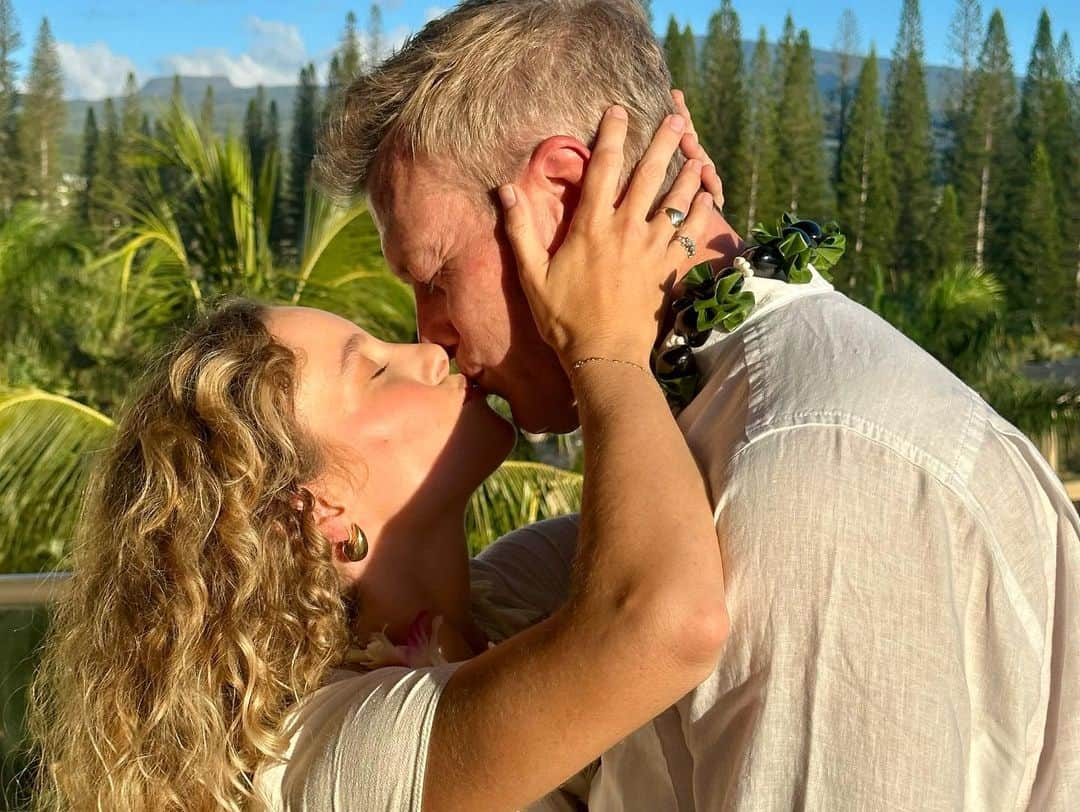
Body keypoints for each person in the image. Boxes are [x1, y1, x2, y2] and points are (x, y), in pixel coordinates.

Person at [314, 0, 1080, 807]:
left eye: (436, 277)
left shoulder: (813, 469)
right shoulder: (697, 447)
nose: (429, 336)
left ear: (565, 191)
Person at [26, 110, 727, 810]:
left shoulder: (508, 598)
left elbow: (677, 513)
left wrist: (688, 261)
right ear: (312, 510)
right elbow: (666, 619)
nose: (428, 351)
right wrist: (601, 341)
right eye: (373, 371)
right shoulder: (331, 757)